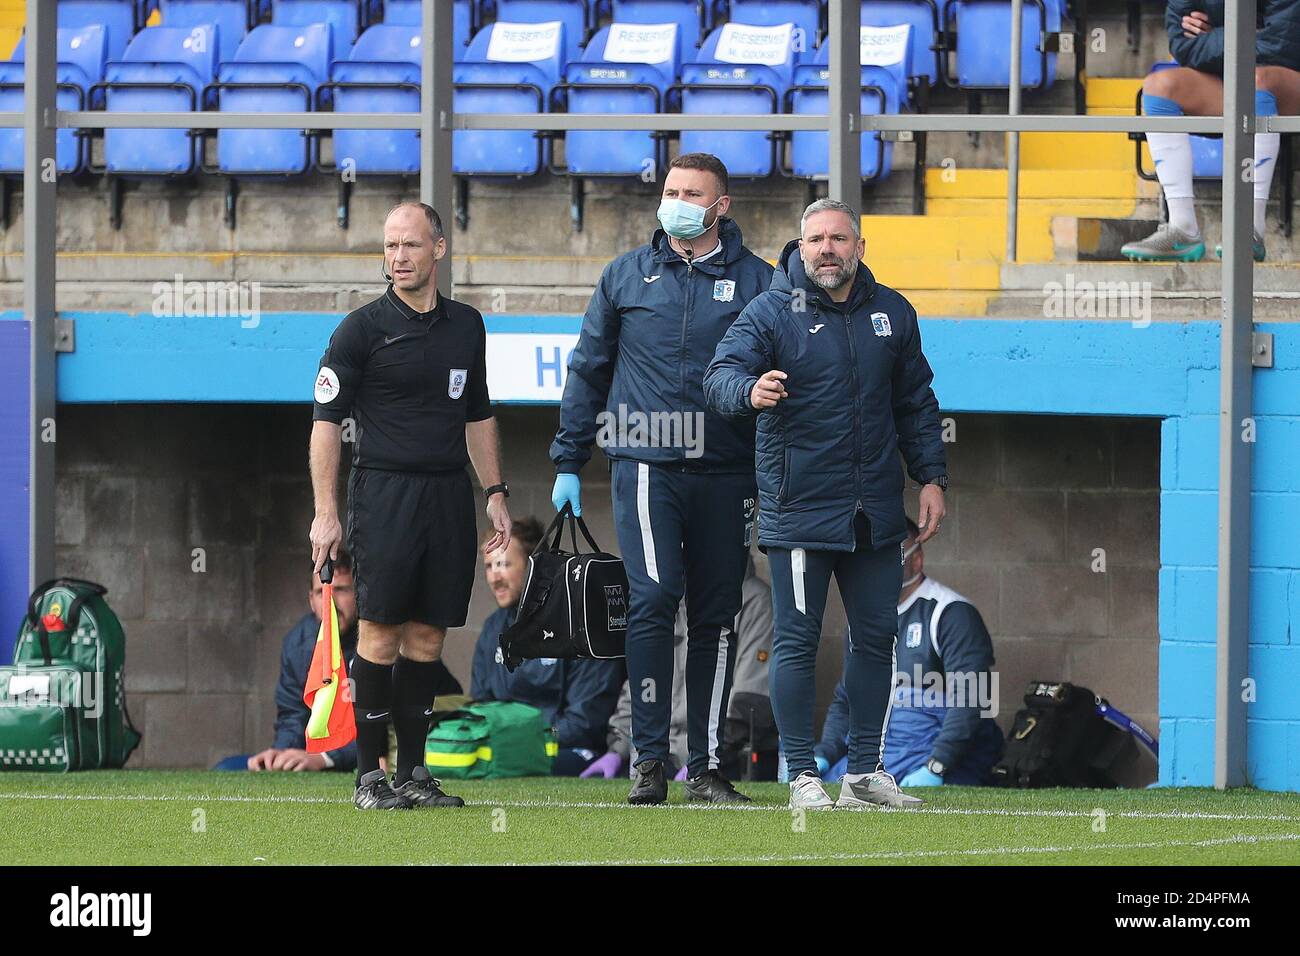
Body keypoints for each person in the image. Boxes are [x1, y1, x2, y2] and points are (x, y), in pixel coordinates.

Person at [705, 198, 949, 811]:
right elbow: (718, 376)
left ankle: (865, 774)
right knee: (797, 640)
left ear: (859, 247)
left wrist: (930, 477)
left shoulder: (893, 311)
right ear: (801, 246)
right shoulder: (769, 310)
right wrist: (749, 389)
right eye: (815, 240)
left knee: (876, 638)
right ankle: (802, 776)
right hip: (797, 510)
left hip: (873, 511)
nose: (826, 250)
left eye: (838, 239)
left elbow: (916, 403)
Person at [550, 153, 774, 805]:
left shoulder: (760, 283)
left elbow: (782, 380)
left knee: (716, 615)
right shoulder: (624, 275)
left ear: (721, 206)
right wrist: (569, 459)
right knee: (651, 599)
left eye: (691, 193)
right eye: (670, 190)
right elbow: (588, 368)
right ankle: (648, 761)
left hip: (726, 472)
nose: (676, 200)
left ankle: (702, 766)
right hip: (645, 463)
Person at [308, 201, 512, 810]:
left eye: (411, 246)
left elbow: (478, 413)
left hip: (448, 494)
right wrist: (325, 511)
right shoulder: (360, 329)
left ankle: (416, 775)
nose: (398, 258)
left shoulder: (467, 326)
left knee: (428, 634)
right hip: (384, 493)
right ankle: (371, 776)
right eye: (391, 246)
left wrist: (495, 493)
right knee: (380, 629)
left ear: (439, 250)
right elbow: (325, 422)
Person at [216, 550, 462, 773]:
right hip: (340, 749)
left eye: (342, 590)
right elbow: (292, 713)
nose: (330, 601)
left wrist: (325, 758)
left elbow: (380, 728)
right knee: (226, 767)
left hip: (430, 739)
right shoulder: (297, 643)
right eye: (321, 591)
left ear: (360, 594)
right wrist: (281, 754)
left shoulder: (383, 642)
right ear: (311, 599)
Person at [815, 517, 1004, 785]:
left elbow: (972, 697)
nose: (877, 566)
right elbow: (847, 699)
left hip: (938, 751)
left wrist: (937, 765)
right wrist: (824, 753)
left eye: (891, 555)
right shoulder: (862, 620)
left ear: (916, 560)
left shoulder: (950, 612)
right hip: (884, 747)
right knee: (839, 791)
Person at [1121, 0, 1300, 262]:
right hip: (1235, 77)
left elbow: (1281, 47)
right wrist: (1247, 35)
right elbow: (1183, 45)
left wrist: (1215, 36)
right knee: (1159, 88)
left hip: (1285, 79)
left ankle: (1248, 229)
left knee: (1256, 81)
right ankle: (1182, 230)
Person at [584, 552, 775, 780]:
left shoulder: (754, 601)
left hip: (720, 756)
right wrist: (617, 748)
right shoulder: (670, 599)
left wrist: (703, 760)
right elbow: (642, 684)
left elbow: (751, 704)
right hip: (653, 755)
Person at [470, 517, 625, 775]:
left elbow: (584, 722)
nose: (494, 577)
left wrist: (524, 742)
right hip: (506, 748)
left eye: (504, 564)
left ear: (533, 566)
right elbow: (481, 705)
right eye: (489, 566)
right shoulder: (492, 628)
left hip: (570, 749)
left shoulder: (578, 624)